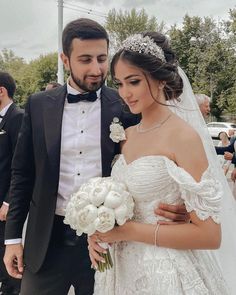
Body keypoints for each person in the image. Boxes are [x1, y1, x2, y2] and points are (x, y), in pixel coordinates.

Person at [3, 19, 186, 295]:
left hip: (109, 241)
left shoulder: (126, 105)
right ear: (65, 59)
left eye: (102, 58)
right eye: (85, 59)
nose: (96, 69)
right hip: (46, 240)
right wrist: (13, 238)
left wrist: (180, 205)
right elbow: (23, 174)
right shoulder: (38, 105)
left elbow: (157, 160)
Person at [88, 33, 234, 294]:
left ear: (161, 78)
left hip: (165, 273)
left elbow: (210, 236)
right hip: (119, 272)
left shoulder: (184, 137)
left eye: (133, 82)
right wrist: (98, 232)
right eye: (120, 84)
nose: (125, 93)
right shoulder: (127, 136)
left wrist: (130, 231)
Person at [0, 71, 23, 295]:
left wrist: (8, 201)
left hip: (7, 204)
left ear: (1, 91)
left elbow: (21, 164)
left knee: (9, 255)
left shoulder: (18, 118)